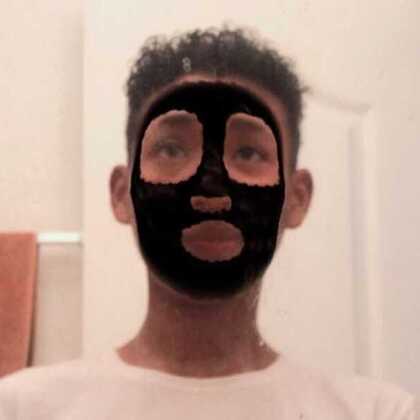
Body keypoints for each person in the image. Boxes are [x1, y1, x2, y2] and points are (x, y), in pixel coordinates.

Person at [0, 26, 416, 420]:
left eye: (249, 153)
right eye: (171, 148)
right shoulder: (21, 408)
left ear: (297, 198)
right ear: (122, 193)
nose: (210, 190)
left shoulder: (382, 413)